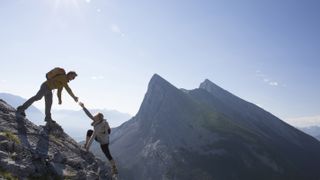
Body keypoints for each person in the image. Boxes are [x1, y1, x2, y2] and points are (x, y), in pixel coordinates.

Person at [79, 102, 118, 175]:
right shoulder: (99, 121)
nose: (94, 117)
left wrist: (87, 149)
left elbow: (93, 137)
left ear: (98, 119)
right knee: (89, 132)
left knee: (107, 154)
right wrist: (83, 107)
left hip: (104, 142)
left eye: (95, 117)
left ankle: (114, 167)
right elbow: (89, 115)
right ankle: (85, 145)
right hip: (101, 138)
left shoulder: (98, 126)